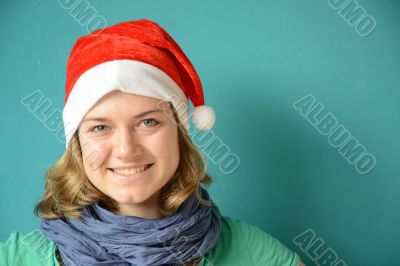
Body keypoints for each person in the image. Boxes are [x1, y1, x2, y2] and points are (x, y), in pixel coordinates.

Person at [0, 19, 305, 266]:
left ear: (179, 133)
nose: (126, 150)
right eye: (100, 127)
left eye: (148, 122)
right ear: (76, 144)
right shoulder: (17, 258)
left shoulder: (251, 252)